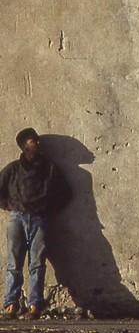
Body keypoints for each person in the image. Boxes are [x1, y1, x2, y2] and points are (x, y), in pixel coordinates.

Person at [0, 128, 72, 319]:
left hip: (40, 220)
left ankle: (35, 306)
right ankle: (11, 305)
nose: (39, 143)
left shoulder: (49, 169)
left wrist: (47, 209)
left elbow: (66, 193)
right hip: (17, 218)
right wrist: (10, 205)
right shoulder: (13, 169)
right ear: (25, 146)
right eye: (34, 141)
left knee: (37, 264)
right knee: (14, 264)